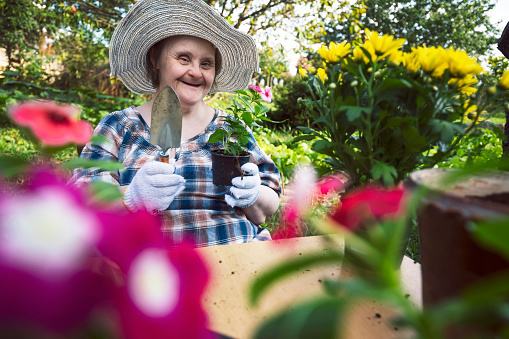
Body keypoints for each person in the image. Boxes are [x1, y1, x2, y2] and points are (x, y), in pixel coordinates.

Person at [69, 0, 281, 248]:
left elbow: (267, 206)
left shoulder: (230, 128)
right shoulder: (119, 127)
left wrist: (254, 194)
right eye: (183, 58)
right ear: (155, 60)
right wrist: (132, 198)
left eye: (206, 63)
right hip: (151, 273)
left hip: (240, 261)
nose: (196, 72)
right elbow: (81, 204)